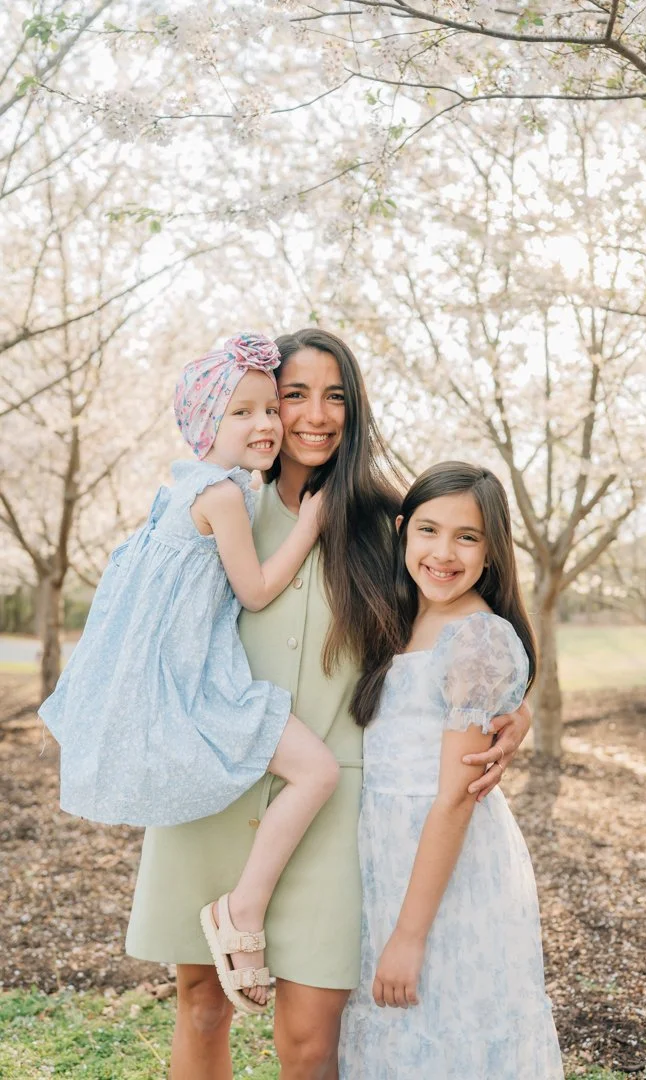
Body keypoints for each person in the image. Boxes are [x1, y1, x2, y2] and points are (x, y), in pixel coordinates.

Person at [125, 329, 532, 1080]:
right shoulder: (218, 506)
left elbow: (456, 630)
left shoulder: (388, 526)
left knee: (311, 1040)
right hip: (212, 779)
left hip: (332, 802)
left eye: (336, 395)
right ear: (265, 408)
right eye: (295, 394)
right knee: (201, 1002)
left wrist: (515, 709)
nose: (316, 414)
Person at [39, 332, 340, 1012]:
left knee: (306, 772)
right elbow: (257, 590)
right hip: (198, 689)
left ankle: (239, 909)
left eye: (270, 409)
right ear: (208, 423)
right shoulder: (225, 498)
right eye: (243, 413)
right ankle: (242, 910)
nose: (265, 424)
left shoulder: (184, 484)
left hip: (178, 682)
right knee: (318, 772)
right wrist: (310, 524)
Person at [339, 461, 564, 1079]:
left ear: (492, 551)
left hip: (447, 868)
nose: (443, 553)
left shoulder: (477, 638)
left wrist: (410, 935)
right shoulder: (396, 618)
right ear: (403, 530)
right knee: (396, 1038)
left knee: (450, 1031)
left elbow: (454, 800)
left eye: (467, 537)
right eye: (429, 531)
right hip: (386, 857)